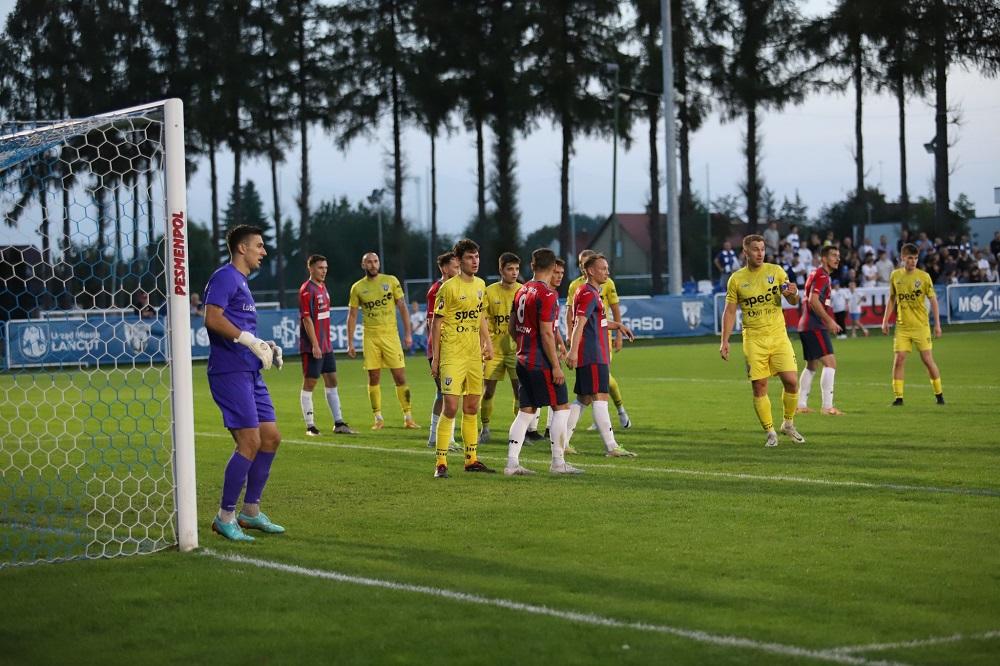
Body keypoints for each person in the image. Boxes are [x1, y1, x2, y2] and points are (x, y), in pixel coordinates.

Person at [203, 224, 285, 542]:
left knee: (271, 438)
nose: (263, 252)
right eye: (259, 246)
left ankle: (250, 512)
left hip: (251, 372)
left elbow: (239, 327)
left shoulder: (242, 282)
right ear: (242, 248)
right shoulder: (225, 276)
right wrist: (249, 340)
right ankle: (225, 517)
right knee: (249, 442)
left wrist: (264, 346)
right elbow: (212, 318)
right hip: (229, 372)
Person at [719, 234, 806, 447]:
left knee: (792, 381)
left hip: (778, 336)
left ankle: (788, 424)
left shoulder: (776, 272)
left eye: (762, 249)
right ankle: (770, 432)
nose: (760, 253)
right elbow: (730, 312)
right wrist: (725, 341)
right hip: (754, 339)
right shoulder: (737, 279)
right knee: (760, 386)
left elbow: (792, 300)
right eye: (755, 249)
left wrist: (794, 294)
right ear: (745, 252)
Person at [503, 248, 581, 476]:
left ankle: (512, 464)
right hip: (540, 363)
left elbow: (511, 327)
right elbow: (547, 333)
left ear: (532, 264)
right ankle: (558, 463)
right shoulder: (547, 294)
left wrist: (524, 345)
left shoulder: (522, 289)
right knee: (561, 408)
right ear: (551, 267)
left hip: (522, 359)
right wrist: (556, 365)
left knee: (526, 411)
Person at [430, 238, 494, 477]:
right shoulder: (448, 288)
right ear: (458, 260)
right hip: (452, 354)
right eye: (469, 257)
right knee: (451, 407)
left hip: (473, 355)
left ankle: (471, 459)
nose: (475, 261)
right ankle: (441, 462)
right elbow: (436, 325)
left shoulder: (480, 285)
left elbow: (480, 317)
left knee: (471, 406)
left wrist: (487, 344)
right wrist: (436, 359)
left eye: (477, 256)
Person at [565, 253, 637, 457]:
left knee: (584, 399)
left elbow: (597, 322)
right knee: (600, 397)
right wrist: (572, 351)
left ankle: (562, 442)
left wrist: (618, 326)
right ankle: (612, 447)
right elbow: (579, 323)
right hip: (593, 353)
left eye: (607, 267)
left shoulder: (591, 292)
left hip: (592, 353)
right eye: (603, 268)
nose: (607, 271)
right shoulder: (588, 293)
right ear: (590, 271)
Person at [346, 252, 419, 430]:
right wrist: (350, 342)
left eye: (375, 261)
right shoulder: (357, 288)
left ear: (379, 263)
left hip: (390, 336)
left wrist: (408, 333)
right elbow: (352, 315)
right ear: (363, 265)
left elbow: (402, 307)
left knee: (400, 376)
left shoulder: (391, 281)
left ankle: (408, 417)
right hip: (370, 336)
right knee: (374, 377)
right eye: (369, 262)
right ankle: (378, 417)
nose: (372, 265)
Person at [299, 254, 355, 436]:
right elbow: (307, 319)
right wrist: (315, 345)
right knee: (310, 383)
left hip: (326, 346)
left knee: (332, 380)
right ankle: (310, 427)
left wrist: (323, 344)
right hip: (313, 347)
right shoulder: (307, 290)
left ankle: (339, 423)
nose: (324, 271)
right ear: (311, 269)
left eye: (325, 267)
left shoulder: (322, 287)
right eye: (320, 268)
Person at [881, 243, 945, 406]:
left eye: (916, 258)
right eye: (910, 258)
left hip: (921, 326)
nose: (913, 261)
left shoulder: (924, 277)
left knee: (927, 360)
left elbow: (934, 301)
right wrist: (885, 320)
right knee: (899, 359)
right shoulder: (895, 275)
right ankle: (898, 398)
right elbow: (892, 299)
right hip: (902, 327)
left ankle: (939, 395)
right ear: (903, 258)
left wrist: (937, 325)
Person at [478, 252, 523, 444]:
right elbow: (482, 319)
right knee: (488, 391)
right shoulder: (489, 291)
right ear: (501, 270)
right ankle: (485, 428)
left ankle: (518, 432)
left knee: (519, 392)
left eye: (517, 269)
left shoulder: (523, 290)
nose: (514, 273)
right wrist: (484, 345)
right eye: (510, 269)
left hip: (516, 350)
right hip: (493, 350)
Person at [796, 246, 845, 415]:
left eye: (838, 256)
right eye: (833, 255)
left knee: (811, 365)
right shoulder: (823, 276)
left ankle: (801, 404)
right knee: (830, 363)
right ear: (823, 258)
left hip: (806, 325)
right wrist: (829, 321)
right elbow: (813, 300)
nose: (837, 259)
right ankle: (827, 407)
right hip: (814, 326)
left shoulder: (816, 274)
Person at [426, 252, 461, 450]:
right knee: (448, 394)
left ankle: (436, 437)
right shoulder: (437, 290)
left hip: (453, 348)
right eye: (455, 267)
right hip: (440, 349)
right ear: (445, 268)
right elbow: (433, 323)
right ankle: (444, 439)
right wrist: (436, 357)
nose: (458, 270)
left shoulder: (455, 287)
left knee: (445, 393)